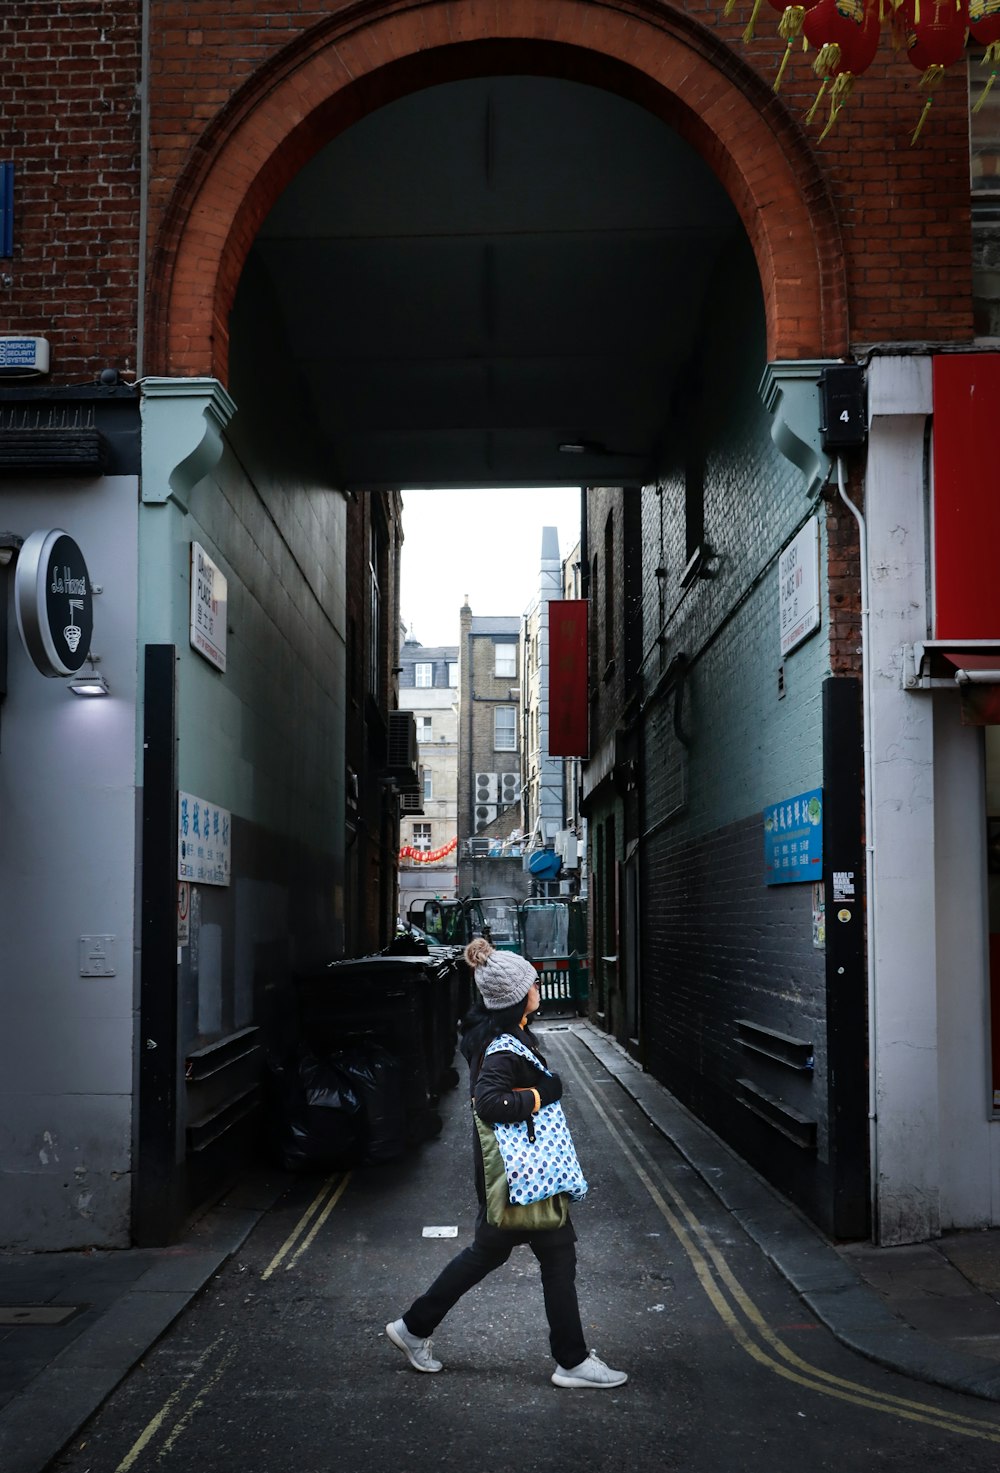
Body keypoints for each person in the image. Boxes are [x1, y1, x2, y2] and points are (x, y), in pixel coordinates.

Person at [385, 937, 628, 1390]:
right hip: (522, 1177)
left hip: (513, 1177)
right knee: (554, 1256)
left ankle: (413, 1327)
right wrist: (541, 1094)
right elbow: (489, 1103)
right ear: (517, 995)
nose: (538, 985)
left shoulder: (504, 1036)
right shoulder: (501, 1047)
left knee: (494, 1254)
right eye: (532, 981)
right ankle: (572, 1361)